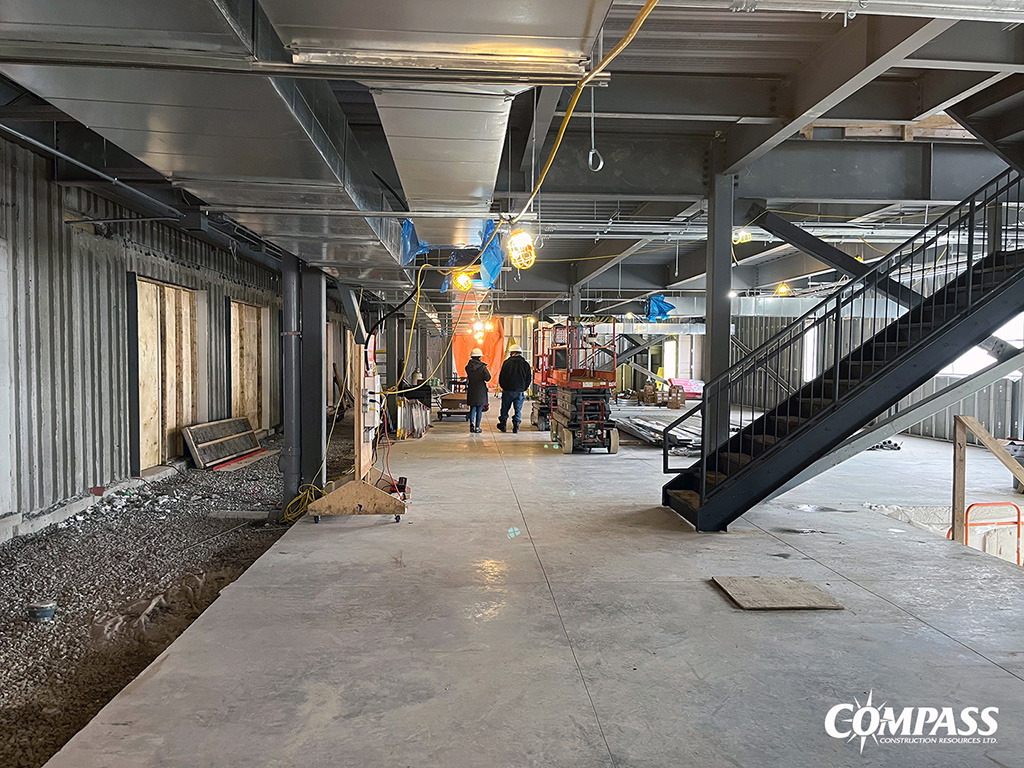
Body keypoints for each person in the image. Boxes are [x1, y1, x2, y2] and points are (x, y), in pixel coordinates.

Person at [497, 343, 532, 433]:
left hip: (508, 390)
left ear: (511, 353)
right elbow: (529, 378)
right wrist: (524, 387)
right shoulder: (525, 364)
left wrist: (503, 386)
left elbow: (502, 376)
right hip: (519, 391)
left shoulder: (507, 363)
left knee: (505, 408)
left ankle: (503, 424)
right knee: (518, 409)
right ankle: (516, 425)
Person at [464, 348, 490, 434]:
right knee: (479, 408)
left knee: (472, 407)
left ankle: (471, 423)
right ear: (479, 357)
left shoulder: (468, 367)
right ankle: (477, 426)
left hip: (472, 388)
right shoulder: (482, 367)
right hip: (480, 389)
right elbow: (488, 378)